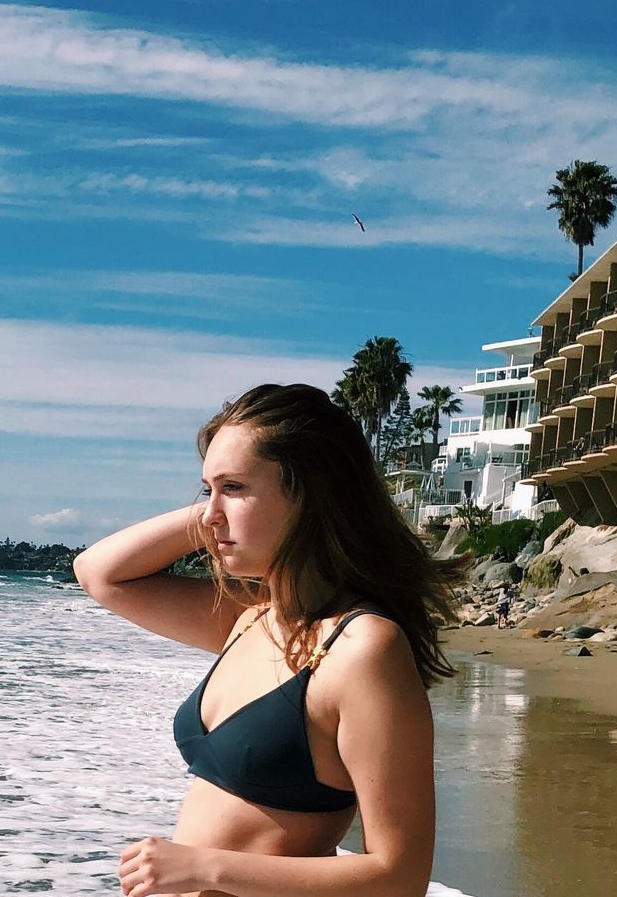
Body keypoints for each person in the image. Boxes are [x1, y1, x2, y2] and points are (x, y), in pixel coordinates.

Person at [73, 384, 464, 897]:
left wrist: (207, 869)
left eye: (235, 488)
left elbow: (399, 876)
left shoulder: (362, 649)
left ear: (311, 494)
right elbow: (99, 573)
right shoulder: (251, 619)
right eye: (206, 490)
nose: (211, 514)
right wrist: (217, 510)